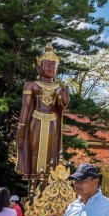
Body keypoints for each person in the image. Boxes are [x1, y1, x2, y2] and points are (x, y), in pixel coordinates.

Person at [16, 44, 70, 178]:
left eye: (54, 66)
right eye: (48, 66)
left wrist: (64, 101)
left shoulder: (58, 87)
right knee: (34, 150)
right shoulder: (32, 85)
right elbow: (26, 108)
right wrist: (21, 127)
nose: (51, 69)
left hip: (52, 121)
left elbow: (59, 108)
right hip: (36, 120)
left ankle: (45, 183)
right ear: (39, 68)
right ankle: (33, 183)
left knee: (50, 153)